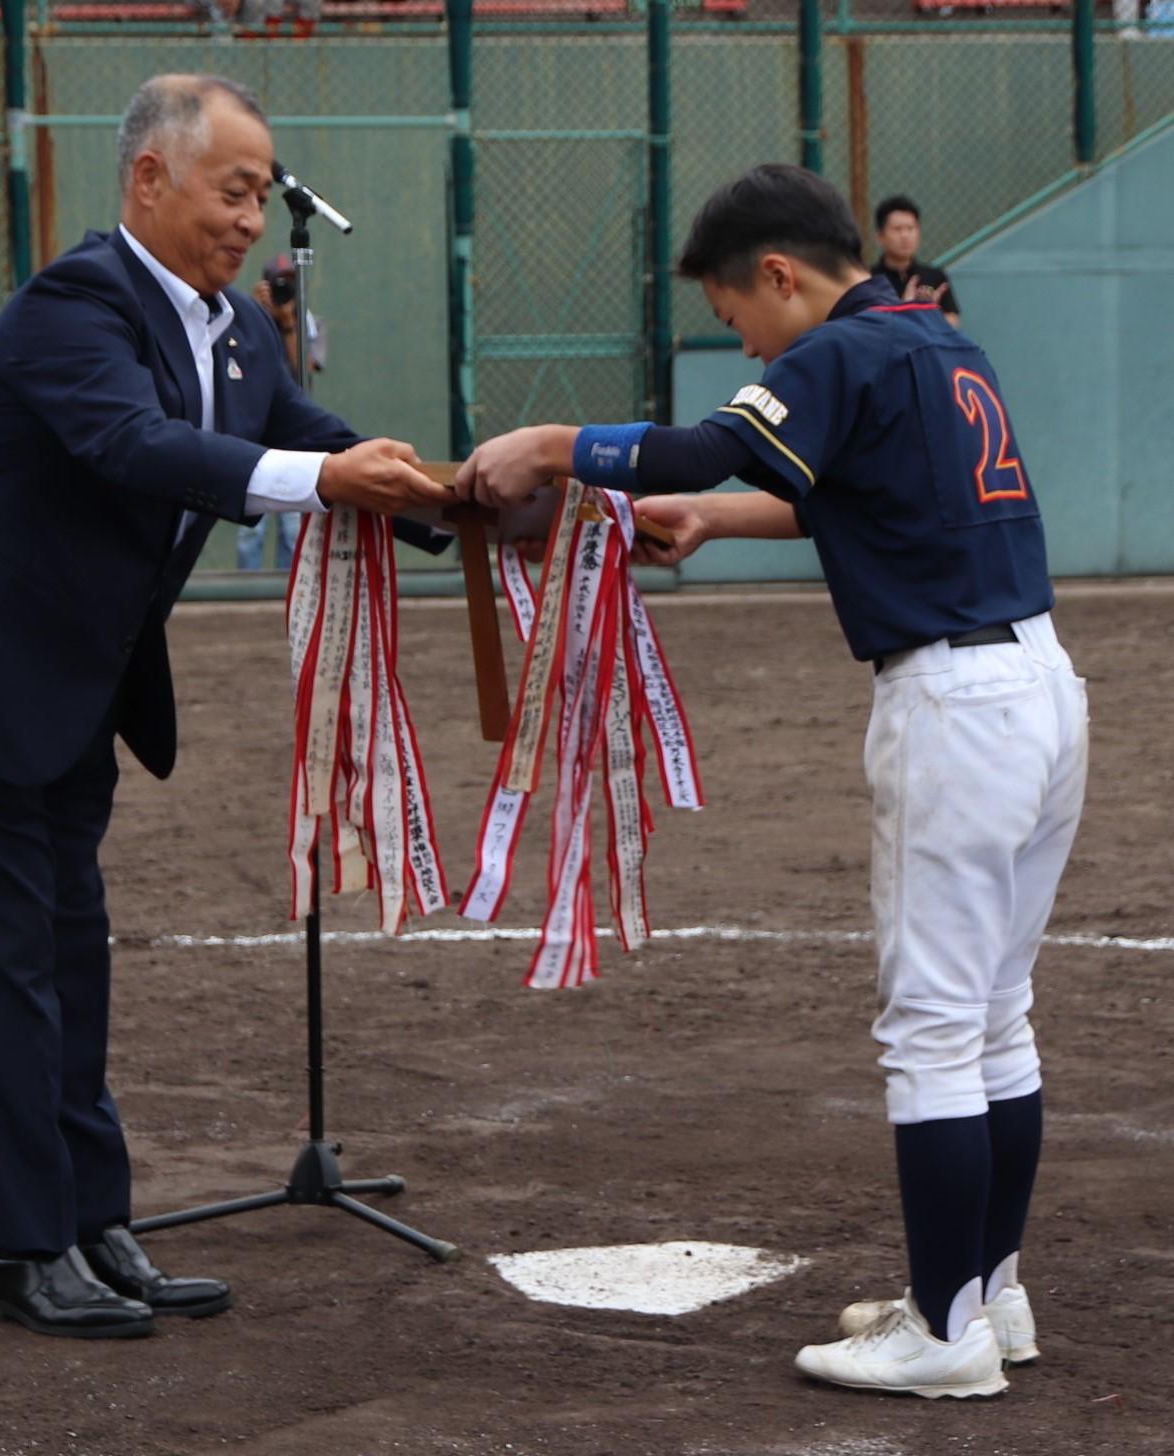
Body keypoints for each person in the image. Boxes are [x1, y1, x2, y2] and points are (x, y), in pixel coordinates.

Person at [0, 73, 450, 1341]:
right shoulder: (77, 302)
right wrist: (321, 475)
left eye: (258, 193)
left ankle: (94, 1221)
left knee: (69, 958)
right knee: (2, 970)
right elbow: (134, 445)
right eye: (231, 189)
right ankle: (23, 1244)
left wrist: (465, 500)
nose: (248, 218)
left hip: (65, 693)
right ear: (147, 180)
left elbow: (313, 438)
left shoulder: (237, 333)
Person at [455, 163, 1087, 1400]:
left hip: (953, 705)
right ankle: (986, 1294)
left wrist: (546, 444)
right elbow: (839, 494)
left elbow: (707, 437)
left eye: (739, 317)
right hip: (1040, 686)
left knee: (929, 1033)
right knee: (993, 1017)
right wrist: (709, 513)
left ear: (782, 275)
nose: (739, 340)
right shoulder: (932, 339)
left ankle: (943, 1333)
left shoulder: (837, 352)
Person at [236, 253, 327, 570]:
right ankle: (248, 596)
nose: (283, 289)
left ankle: (288, 591)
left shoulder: (307, 320)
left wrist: (288, 323)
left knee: (292, 526)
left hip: (292, 435)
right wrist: (254, 314)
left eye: (289, 282)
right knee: (251, 530)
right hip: (255, 429)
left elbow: (307, 370)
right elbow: (239, 366)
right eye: (278, 282)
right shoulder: (246, 317)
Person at [870, 194, 960, 327]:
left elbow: (953, 320)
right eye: (897, 229)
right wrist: (904, 310)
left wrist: (930, 312)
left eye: (910, 228)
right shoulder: (869, 279)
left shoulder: (934, 275)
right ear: (880, 237)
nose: (905, 236)